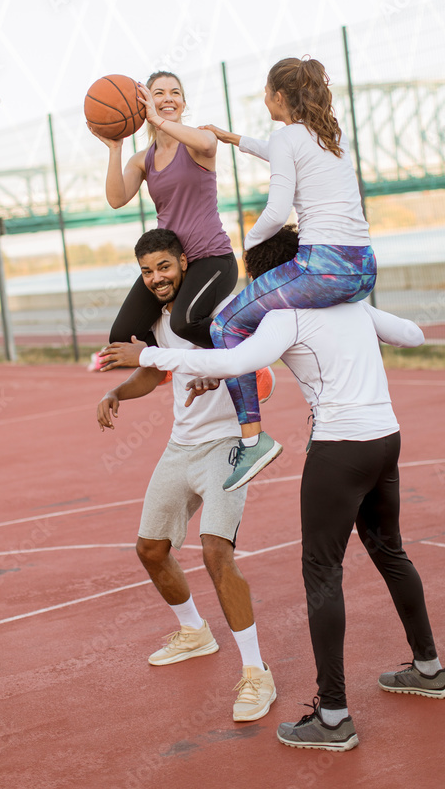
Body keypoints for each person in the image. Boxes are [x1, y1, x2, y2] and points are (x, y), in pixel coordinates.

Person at [103, 226, 445, 752]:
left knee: (322, 574)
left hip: (339, 449)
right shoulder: (351, 304)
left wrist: (150, 357)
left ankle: (333, 717)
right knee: (390, 553)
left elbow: (236, 361)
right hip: (386, 440)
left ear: (273, 278)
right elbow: (414, 335)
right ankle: (429, 669)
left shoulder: (283, 313)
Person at [96, 227, 276, 723]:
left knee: (216, 552)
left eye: (164, 267)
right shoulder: (159, 320)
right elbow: (155, 372)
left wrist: (223, 375)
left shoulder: (219, 310)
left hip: (227, 444)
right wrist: (116, 394)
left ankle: (257, 672)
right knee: (150, 549)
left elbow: (263, 372)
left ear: (184, 263)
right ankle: (195, 632)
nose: (156, 278)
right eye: (146, 272)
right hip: (181, 446)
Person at [201, 56, 377, 492]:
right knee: (306, 323)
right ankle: (327, 418)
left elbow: (278, 211)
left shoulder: (287, 138)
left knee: (225, 325)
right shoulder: (330, 137)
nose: (264, 99)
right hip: (363, 269)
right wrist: (236, 140)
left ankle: (252, 440)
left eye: (266, 93)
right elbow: (283, 152)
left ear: (279, 96)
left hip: (322, 269)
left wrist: (250, 243)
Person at [95, 70, 275, 451]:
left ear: (183, 102)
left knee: (183, 321)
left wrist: (158, 121)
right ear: (143, 101)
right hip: (174, 264)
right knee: (121, 335)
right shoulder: (144, 160)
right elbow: (116, 198)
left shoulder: (196, 143)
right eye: (158, 93)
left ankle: (248, 361)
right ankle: (160, 367)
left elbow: (210, 142)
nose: (168, 99)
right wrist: (115, 147)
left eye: (175, 93)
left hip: (212, 259)